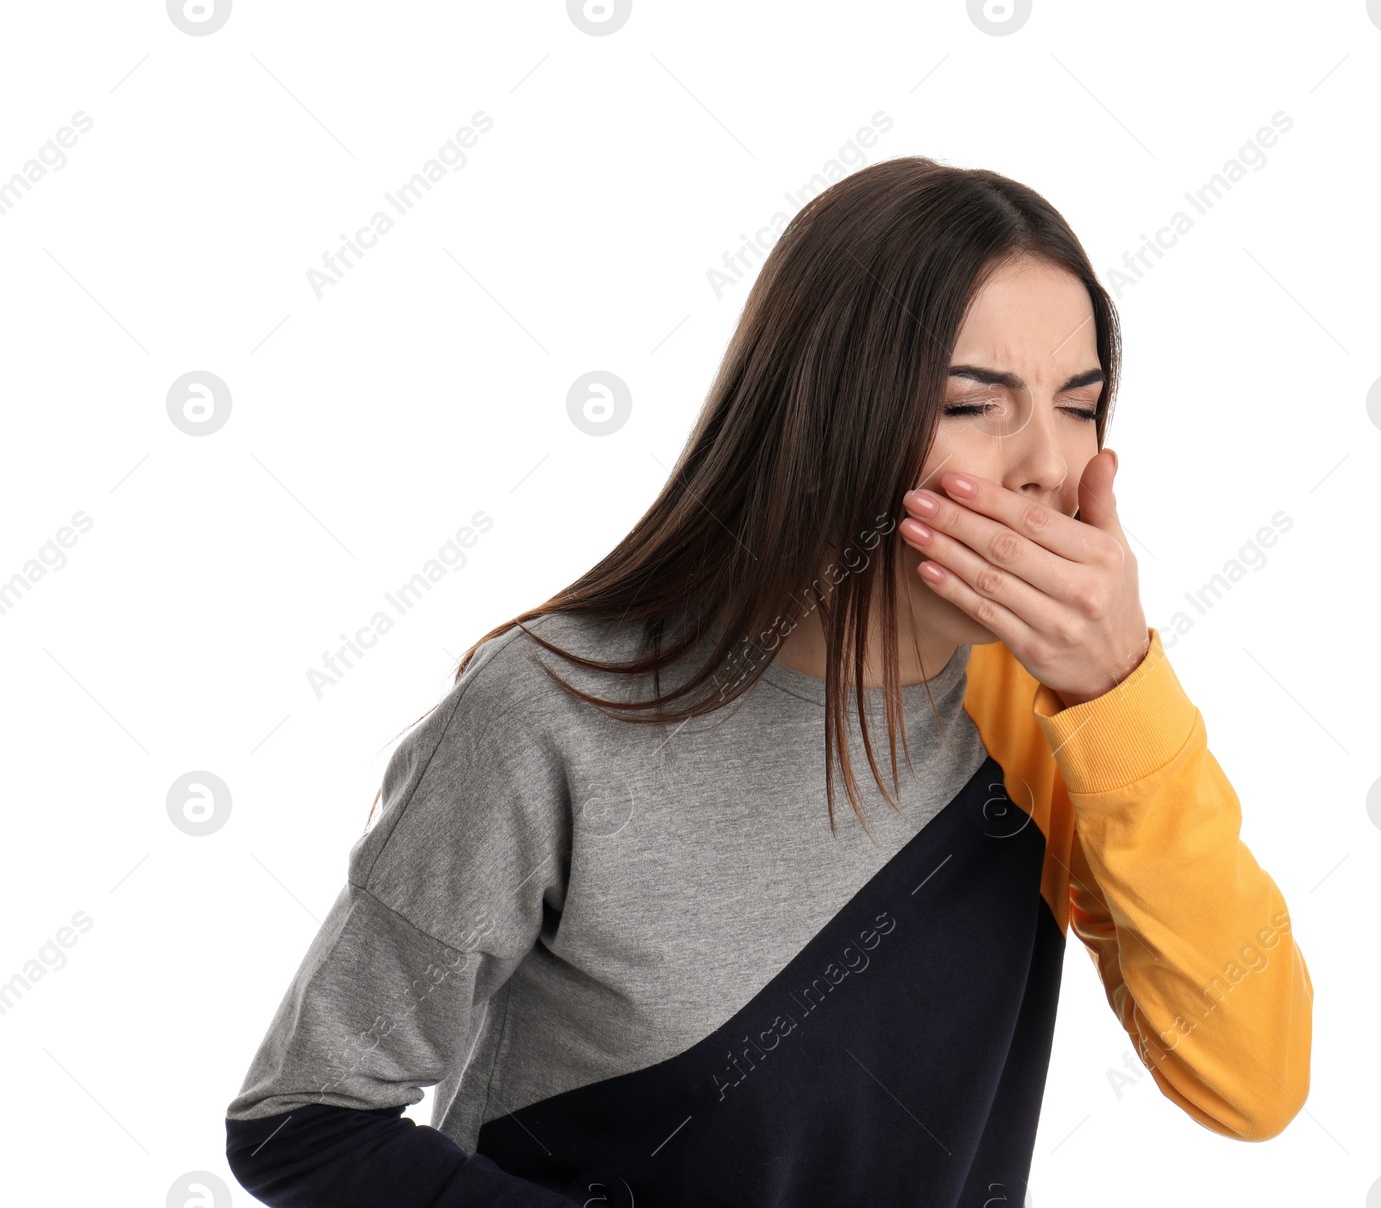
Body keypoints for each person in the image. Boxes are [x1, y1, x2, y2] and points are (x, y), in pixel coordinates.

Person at [224, 155, 1312, 1207]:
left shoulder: (1051, 718)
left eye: (1078, 404)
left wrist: (1119, 690)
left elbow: (1251, 1082)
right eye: (974, 403)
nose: (1044, 465)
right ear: (828, 417)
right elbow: (303, 1120)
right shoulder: (546, 711)